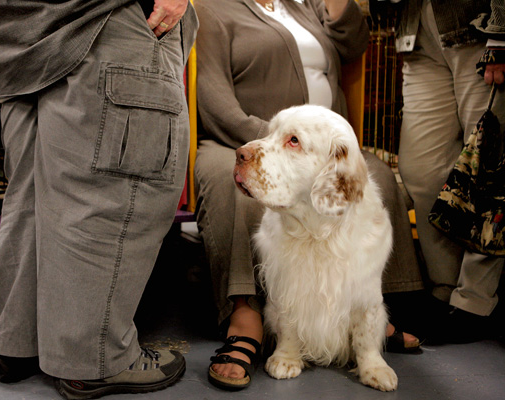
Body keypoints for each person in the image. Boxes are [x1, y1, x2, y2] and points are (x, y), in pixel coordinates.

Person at [0, 0, 197, 398]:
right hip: (109, 17)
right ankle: (94, 360)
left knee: (35, 191)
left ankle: (19, 345)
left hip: (16, 28)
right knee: (120, 189)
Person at [193, 0, 425, 391]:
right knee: (221, 177)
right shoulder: (213, 10)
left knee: (378, 176)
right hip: (250, 137)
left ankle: (371, 310)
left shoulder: (306, 6)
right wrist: (277, 143)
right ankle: (245, 314)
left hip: (317, 145)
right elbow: (213, 100)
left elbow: (355, 44)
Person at [388, 0, 505, 343]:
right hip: (417, 23)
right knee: (422, 169)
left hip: (480, 21)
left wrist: (501, 30)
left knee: (487, 164)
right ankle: (446, 286)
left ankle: (475, 301)